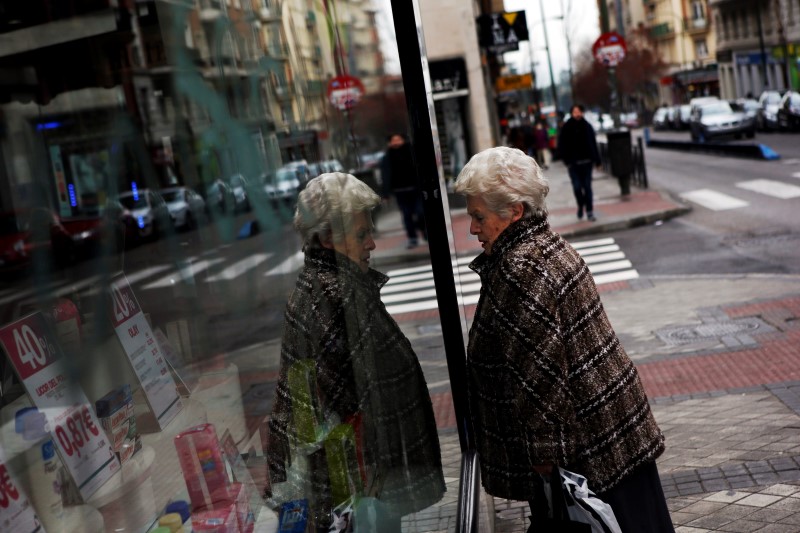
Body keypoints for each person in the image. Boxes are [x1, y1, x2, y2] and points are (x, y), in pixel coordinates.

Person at [453, 147, 673, 533]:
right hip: (608, 431)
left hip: (587, 450)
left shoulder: (521, 268)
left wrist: (545, 463)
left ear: (514, 212)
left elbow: (540, 376)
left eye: (478, 216)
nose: (473, 228)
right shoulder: (547, 246)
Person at [267, 173, 445, 530]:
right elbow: (355, 398)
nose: (372, 244)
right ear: (331, 238)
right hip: (356, 484)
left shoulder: (325, 284)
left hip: (354, 481)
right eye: (362, 234)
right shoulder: (337, 294)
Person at [380, 133, 426, 248]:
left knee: (420, 212)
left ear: (403, 140)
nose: (396, 143)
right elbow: (385, 175)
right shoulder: (387, 157)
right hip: (400, 191)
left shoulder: (412, 152)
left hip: (415, 189)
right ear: (390, 143)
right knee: (407, 214)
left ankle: (424, 231)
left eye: (398, 140)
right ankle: (412, 238)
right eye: (393, 140)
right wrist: (385, 193)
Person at [558, 104, 601, 221]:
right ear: (571, 113)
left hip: (587, 162)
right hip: (573, 164)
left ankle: (590, 211)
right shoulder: (566, 127)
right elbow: (562, 145)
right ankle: (581, 205)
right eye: (575, 111)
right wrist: (566, 160)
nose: (577, 113)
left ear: (582, 112)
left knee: (587, 187)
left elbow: (593, 143)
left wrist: (597, 161)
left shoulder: (587, 126)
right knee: (577, 188)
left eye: (579, 111)